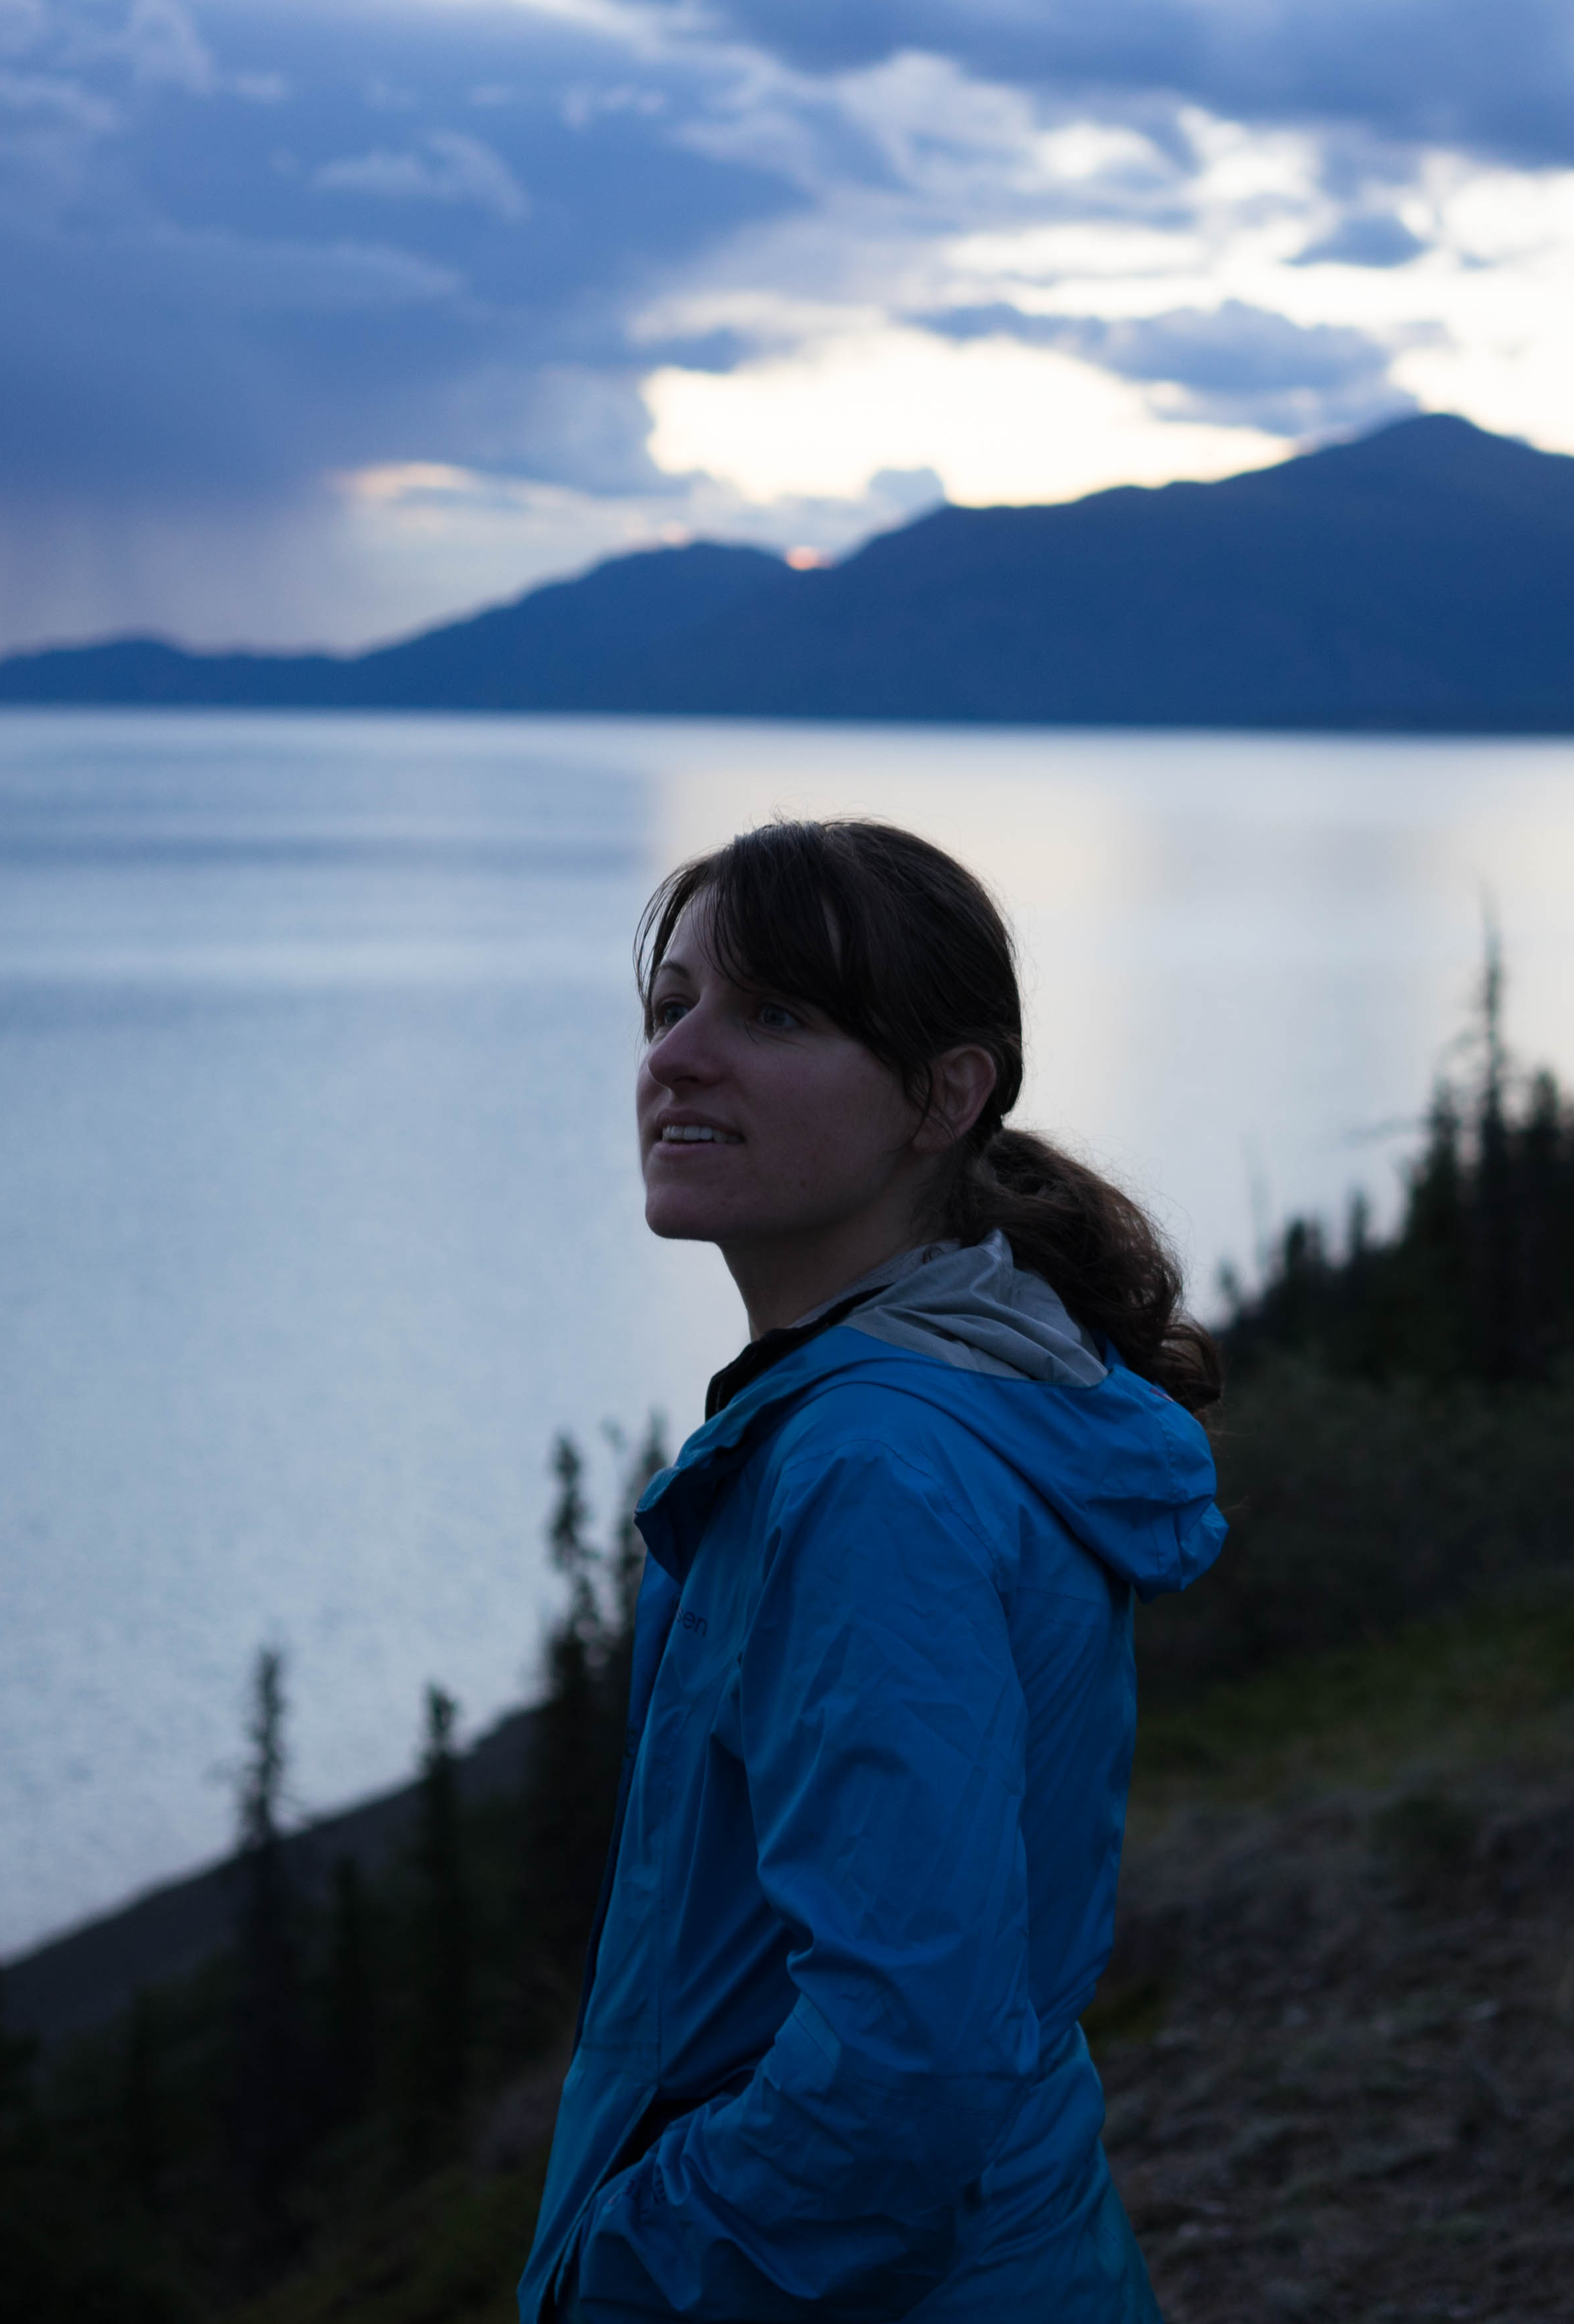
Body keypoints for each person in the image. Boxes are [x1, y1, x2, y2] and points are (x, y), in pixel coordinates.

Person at [519, 819, 1225, 2323]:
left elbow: (912, 2057)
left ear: (943, 1096)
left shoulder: (872, 1469)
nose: (678, 1058)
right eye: (672, 1006)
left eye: (774, 1014)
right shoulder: (960, 1395)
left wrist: (635, 2267)